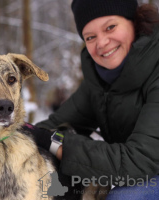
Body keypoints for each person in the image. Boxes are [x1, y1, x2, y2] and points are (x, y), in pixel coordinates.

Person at [23, 0, 159, 199]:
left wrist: (59, 145)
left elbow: (139, 159)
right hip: (137, 171)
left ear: (134, 21)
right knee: (54, 185)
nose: (102, 43)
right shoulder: (99, 80)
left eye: (110, 27)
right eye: (90, 37)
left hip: (145, 170)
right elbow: (50, 129)